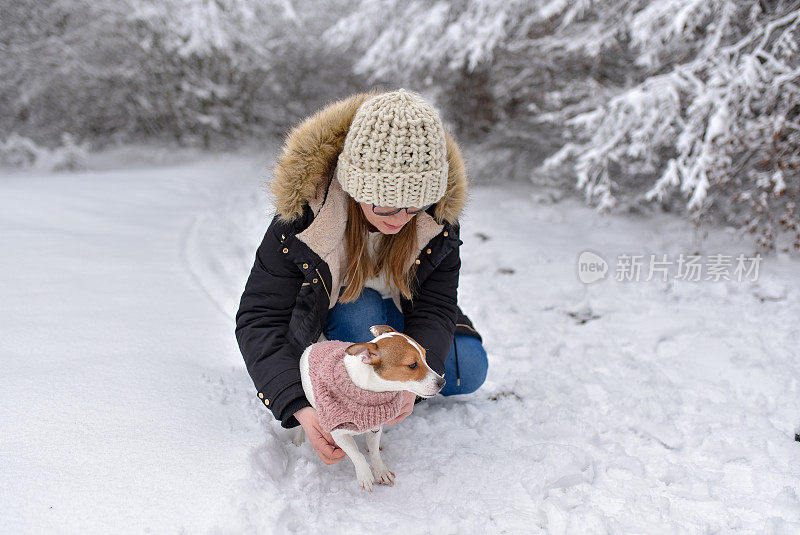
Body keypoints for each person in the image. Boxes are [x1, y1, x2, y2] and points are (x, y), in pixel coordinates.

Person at [235, 88, 487, 465]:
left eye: (413, 206)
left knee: (469, 369)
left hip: (402, 313)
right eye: (385, 204)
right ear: (355, 186)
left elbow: (436, 304)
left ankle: (388, 377)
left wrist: (411, 387)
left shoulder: (437, 219)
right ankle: (348, 370)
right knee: (361, 313)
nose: (399, 218)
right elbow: (258, 317)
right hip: (340, 313)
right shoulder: (304, 217)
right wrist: (299, 404)